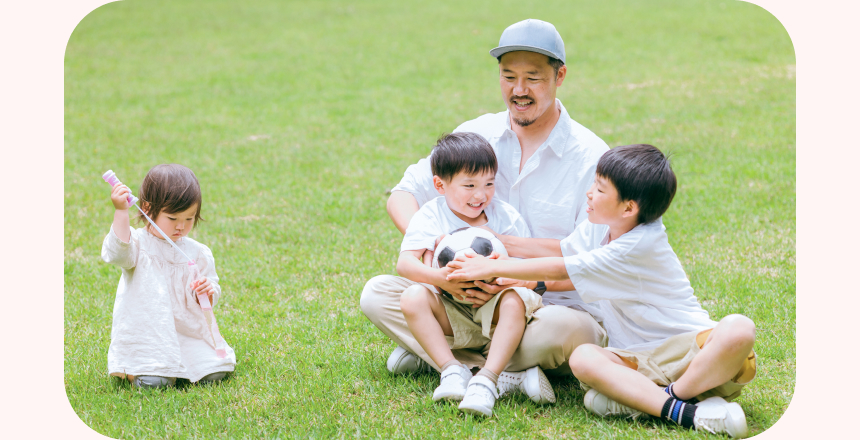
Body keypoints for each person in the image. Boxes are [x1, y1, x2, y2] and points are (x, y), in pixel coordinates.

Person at [360, 19, 610, 399]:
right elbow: (404, 193)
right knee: (378, 294)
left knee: (562, 331)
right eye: (508, 76)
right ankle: (505, 373)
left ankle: (444, 359)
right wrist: (437, 254)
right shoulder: (478, 134)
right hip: (461, 301)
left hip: (545, 306)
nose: (519, 90)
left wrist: (521, 281)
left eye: (533, 78)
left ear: (560, 76)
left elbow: (594, 263)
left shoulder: (591, 157)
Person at [447, 144, 755, 437]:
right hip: (634, 360)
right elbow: (565, 258)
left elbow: (561, 268)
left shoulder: (641, 244)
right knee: (584, 358)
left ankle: (672, 403)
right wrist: (506, 253)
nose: (589, 193)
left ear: (629, 208)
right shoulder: (601, 225)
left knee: (739, 328)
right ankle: (689, 407)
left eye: (600, 188)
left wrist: (492, 268)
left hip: (692, 354)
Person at [392, 132, 552, 416]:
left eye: (489, 183)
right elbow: (405, 265)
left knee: (515, 300)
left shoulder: (506, 217)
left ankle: (488, 380)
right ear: (440, 184)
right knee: (412, 297)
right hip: (452, 307)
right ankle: (451, 369)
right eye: (469, 185)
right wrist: (440, 279)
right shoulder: (431, 216)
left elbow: (526, 268)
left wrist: (499, 274)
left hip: (496, 306)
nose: (481, 195)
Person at [101, 164, 236, 388]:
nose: (181, 227)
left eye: (190, 219)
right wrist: (121, 211)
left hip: (186, 331)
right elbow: (118, 254)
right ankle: (140, 370)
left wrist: (207, 291)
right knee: (155, 380)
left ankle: (186, 364)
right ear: (146, 208)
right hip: (150, 333)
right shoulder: (139, 244)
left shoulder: (197, 252)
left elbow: (210, 287)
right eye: (172, 219)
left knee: (213, 373)